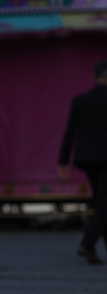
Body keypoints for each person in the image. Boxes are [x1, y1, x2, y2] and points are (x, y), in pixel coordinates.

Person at [58, 60, 107, 265]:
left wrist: (63, 161)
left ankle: (93, 251)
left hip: (86, 158)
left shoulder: (81, 100)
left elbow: (70, 131)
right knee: (105, 204)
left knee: (101, 202)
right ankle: (87, 243)